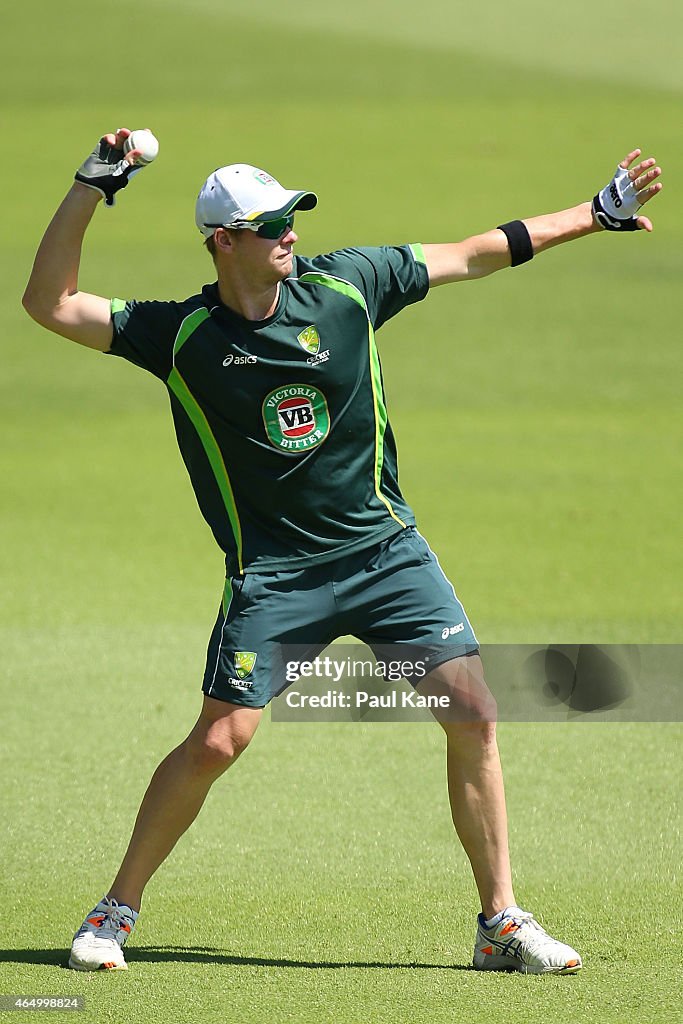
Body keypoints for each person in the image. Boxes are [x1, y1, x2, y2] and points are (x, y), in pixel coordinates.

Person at [22, 128, 662, 975]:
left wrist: (595, 212)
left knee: (473, 711)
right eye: (270, 222)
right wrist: (91, 185)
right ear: (223, 241)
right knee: (218, 743)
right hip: (276, 575)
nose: (290, 230)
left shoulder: (348, 287)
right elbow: (50, 302)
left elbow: (475, 253)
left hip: (385, 555)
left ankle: (500, 922)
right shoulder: (179, 337)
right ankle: (114, 910)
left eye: (292, 215)